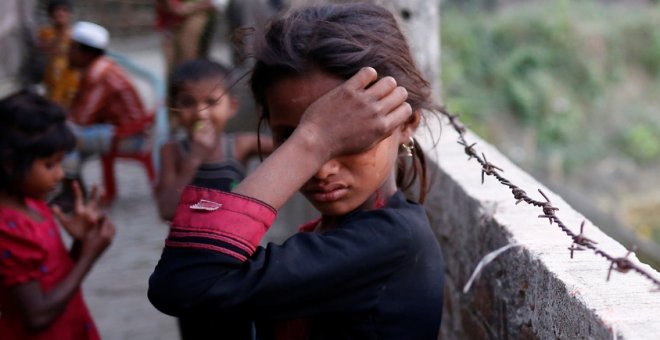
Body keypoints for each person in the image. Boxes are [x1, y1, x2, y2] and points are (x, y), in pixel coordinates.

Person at [149, 3, 444, 339]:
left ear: (406, 124)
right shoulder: (336, 231)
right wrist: (311, 138)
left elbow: (183, 281)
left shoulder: (390, 241)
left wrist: (312, 140)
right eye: (289, 137)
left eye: (351, 137)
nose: (321, 168)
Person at [0, 91, 115, 339]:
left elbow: (54, 278)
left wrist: (81, 244)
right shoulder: (7, 228)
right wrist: (89, 257)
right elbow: (37, 315)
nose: (60, 174)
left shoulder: (33, 204)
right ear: (9, 163)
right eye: (50, 165)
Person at [156, 58, 273, 221]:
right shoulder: (172, 151)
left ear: (232, 106)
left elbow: (292, 151)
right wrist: (194, 159)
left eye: (211, 102)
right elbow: (167, 210)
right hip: (189, 245)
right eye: (188, 103)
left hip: (234, 243)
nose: (200, 113)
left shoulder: (241, 146)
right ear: (174, 109)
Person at [53, 21, 150, 207]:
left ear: (85, 53)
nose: (68, 54)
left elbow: (82, 118)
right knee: (64, 132)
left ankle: (72, 191)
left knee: (66, 136)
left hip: (128, 136)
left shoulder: (98, 73)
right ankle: (73, 187)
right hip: (119, 130)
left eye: (72, 49)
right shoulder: (97, 68)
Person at [155, 0, 218, 76]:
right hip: (171, 25)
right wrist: (202, 5)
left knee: (188, 56)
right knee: (176, 61)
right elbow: (177, 9)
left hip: (191, 18)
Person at [37, 0, 80, 108]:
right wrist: (59, 32)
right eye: (56, 11)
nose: (60, 14)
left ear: (69, 14)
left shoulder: (76, 34)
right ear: (51, 15)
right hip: (53, 83)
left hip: (72, 85)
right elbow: (47, 51)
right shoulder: (46, 33)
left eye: (63, 11)